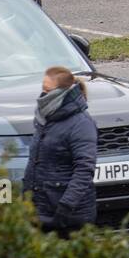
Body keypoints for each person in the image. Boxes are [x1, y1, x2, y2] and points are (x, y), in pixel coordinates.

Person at [23, 66, 97, 235]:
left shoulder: (81, 124)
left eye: (47, 90)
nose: (43, 95)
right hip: (42, 212)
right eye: (42, 88)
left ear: (63, 92)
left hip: (69, 218)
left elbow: (85, 170)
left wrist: (64, 207)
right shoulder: (45, 118)